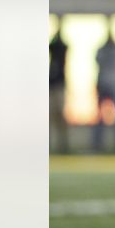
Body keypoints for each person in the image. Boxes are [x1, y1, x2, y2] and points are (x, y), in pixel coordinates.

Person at [93, 22, 115, 152]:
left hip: (110, 83)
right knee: (100, 117)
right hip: (105, 84)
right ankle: (98, 144)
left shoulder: (114, 49)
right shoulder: (104, 49)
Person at [50, 19, 70, 154]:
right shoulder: (53, 46)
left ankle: (63, 145)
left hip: (59, 85)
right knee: (51, 115)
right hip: (52, 85)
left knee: (60, 116)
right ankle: (51, 145)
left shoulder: (63, 47)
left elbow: (61, 46)